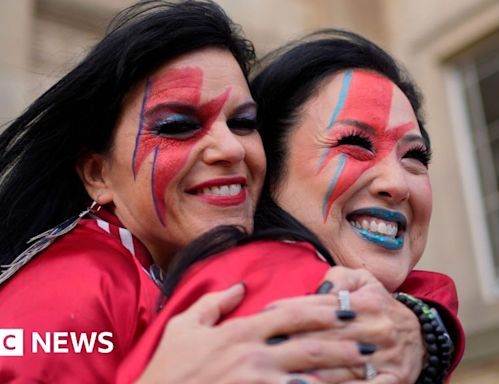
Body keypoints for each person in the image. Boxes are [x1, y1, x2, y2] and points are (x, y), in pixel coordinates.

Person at [0, 2, 368, 383]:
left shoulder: (160, 271)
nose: (230, 148)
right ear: (98, 174)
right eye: (177, 126)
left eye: (243, 123)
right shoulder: (71, 285)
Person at [117, 30, 464, 384]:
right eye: (354, 144)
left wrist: (429, 329)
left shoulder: (369, 309)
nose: (396, 183)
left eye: (415, 157)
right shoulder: (283, 291)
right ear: (270, 170)